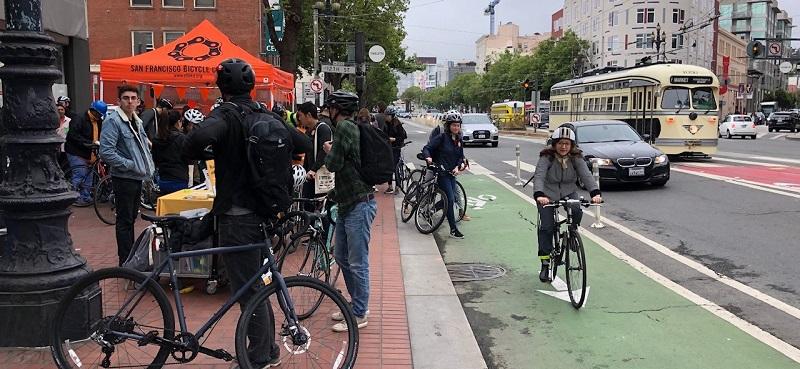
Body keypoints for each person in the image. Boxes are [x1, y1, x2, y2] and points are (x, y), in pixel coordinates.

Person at [183, 58, 308, 369]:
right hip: (263, 214)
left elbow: (192, 143)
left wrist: (209, 150)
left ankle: (259, 355)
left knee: (247, 289)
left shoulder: (225, 116)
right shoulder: (263, 114)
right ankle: (267, 349)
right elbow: (303, 142)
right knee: (256, 285)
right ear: (252, 86)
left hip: (236, 217)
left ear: (220, 88)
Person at [322, 90, 377, 332]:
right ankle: (356, 304)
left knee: (357, 262)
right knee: (342, 257)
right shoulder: (351, 128)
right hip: (348, 203)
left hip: (359, 204)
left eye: (330, 109)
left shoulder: (344, 128)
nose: (328, 113)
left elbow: (333, 164)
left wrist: (328, 150)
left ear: (336, 109)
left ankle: (359, 313)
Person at [532, 126, 602, 283]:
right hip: (547, 195)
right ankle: (545, 263)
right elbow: (539, 176)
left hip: (569, 191)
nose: (564, 147)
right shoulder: (546, 157)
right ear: (555, 143)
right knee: (547, 227)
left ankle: (572, 235)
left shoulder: (576, 158)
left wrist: (595, 192)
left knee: (577, 210)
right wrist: (539, 194)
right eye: (560, 143)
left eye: (567, 144)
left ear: (572, 145)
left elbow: (586, 175)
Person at [99, 86, 155, 267]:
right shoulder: (113, 120)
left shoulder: (135, 121)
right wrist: (131, 164)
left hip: (136, 177)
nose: (129, 101)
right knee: (124, 221)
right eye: (125, 98)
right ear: (118, 101)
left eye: (133, 98)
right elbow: (106, 152)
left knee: (131, 219)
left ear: (138, 101)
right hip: (124, 177)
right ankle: (125, 262)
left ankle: (131, 259)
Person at [422, 111, 466, 239]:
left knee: (446, 200)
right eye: (453, 125)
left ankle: (429, 211)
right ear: (448, 126)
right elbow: (427, 148)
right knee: (451, 200)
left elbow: (460, 157)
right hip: (441, 173)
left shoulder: (459, 140)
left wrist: (457, 167)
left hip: (451, 173)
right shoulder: (442, 137)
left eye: (458, 125)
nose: (456, 128)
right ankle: (453, 229)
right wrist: (428, 158)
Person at [64, 100, 107, 207]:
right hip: (76, 151)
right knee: (80, 174)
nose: (99, 117)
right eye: (98, 114)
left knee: (89, 175)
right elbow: (72, 135)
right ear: (93, 111)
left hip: (89, 152)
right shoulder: (79, 118)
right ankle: (71, 197)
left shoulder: (98, 121)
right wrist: (88, 143)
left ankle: (85, 197)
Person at [297, 102, 332, 202]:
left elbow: (324, 151)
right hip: (311, 175)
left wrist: (313, 169)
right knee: (307, 203)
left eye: (300, 115)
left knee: (319, 205)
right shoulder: (309, 130)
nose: (299, 119)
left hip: (320, 176)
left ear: (308, 115)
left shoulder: (323, 128)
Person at [152, 109, 190, 195]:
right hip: (179, 179)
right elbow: (188, 158)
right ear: (178, 122)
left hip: (163, 179)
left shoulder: (157, 138)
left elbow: (155, 159)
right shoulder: (181, 138)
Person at [384, 106, 407, 194]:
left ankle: (397, 186)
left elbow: (401, 137)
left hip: (396, 148)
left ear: (392, 116)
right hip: (388, 148)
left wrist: (394, 139)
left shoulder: (397, 124)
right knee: (388, 168)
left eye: (388, 115)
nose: (386, 117)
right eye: (386, 115)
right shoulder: (386, 124)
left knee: (395, 168)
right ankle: (389, 186)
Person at [56, 102, 72, 169]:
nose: (60, 111)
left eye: (61, 109)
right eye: (58, 110)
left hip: (65, 148)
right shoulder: (53, 121)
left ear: (64, 111)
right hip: (55, 148)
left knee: (65, 166)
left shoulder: (69, 121)